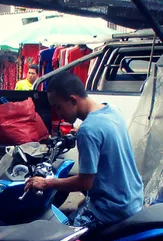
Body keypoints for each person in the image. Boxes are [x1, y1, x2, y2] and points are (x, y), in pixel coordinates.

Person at [26, 72, 142, 228]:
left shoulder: (88, 130)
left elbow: (85, 183)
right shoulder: (111, 110)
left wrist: (47, 183)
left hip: (113, 209)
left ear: (73, 100)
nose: (59, 115)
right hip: (132, 199)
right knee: (79, 207)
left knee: (65, 236)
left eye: (58, 107)